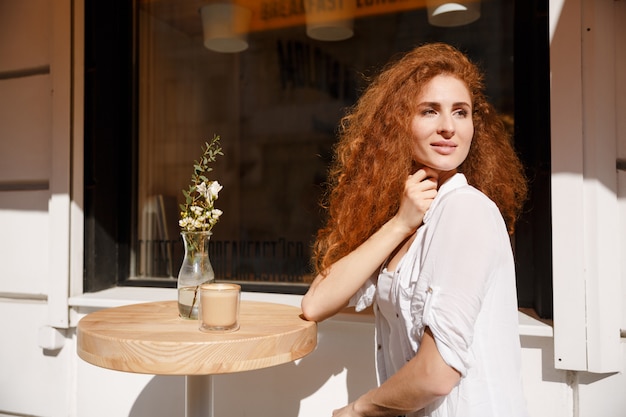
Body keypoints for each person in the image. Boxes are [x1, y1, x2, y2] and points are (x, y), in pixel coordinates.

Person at [301, 42, 529, 417]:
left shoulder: (465, 211)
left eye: (461, 112)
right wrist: (399, 223)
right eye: (429, 111)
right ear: (398, 123)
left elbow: (436, 375)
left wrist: (358, 410)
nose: (448, 127)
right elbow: (315, 304)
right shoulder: (411, 215)